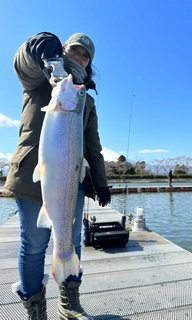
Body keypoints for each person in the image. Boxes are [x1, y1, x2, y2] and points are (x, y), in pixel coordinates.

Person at [3, 31, 111, 320]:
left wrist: (101, 184)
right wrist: (39, 44)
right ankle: (35, 308)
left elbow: (93, 146)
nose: (78, 56)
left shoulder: (85, 100)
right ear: (62, 50)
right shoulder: (40, 79)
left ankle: (69, 301)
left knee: (71, 240)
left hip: (70, 181)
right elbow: (21, 63)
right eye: (73, 49)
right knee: (35, 244)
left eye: (84, 55)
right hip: (30, 177)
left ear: (89, 65)